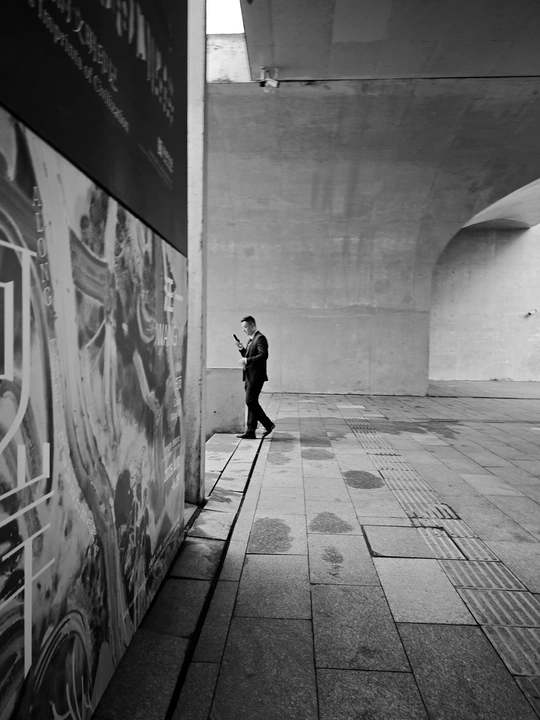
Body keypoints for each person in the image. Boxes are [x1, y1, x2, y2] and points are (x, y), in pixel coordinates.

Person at [235, 315, 276, 439]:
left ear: (253, 325)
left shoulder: (260, 338)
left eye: (246, 327)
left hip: (256, 376)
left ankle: (268, 424)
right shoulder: (251, 340)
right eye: (243, 328)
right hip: (249, 376)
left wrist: (247, 360)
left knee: (250, 401)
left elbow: (263, 355)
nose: (244, 330)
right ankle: (251, 431)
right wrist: (242, 349)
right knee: (252, 402)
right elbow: (249, 355)